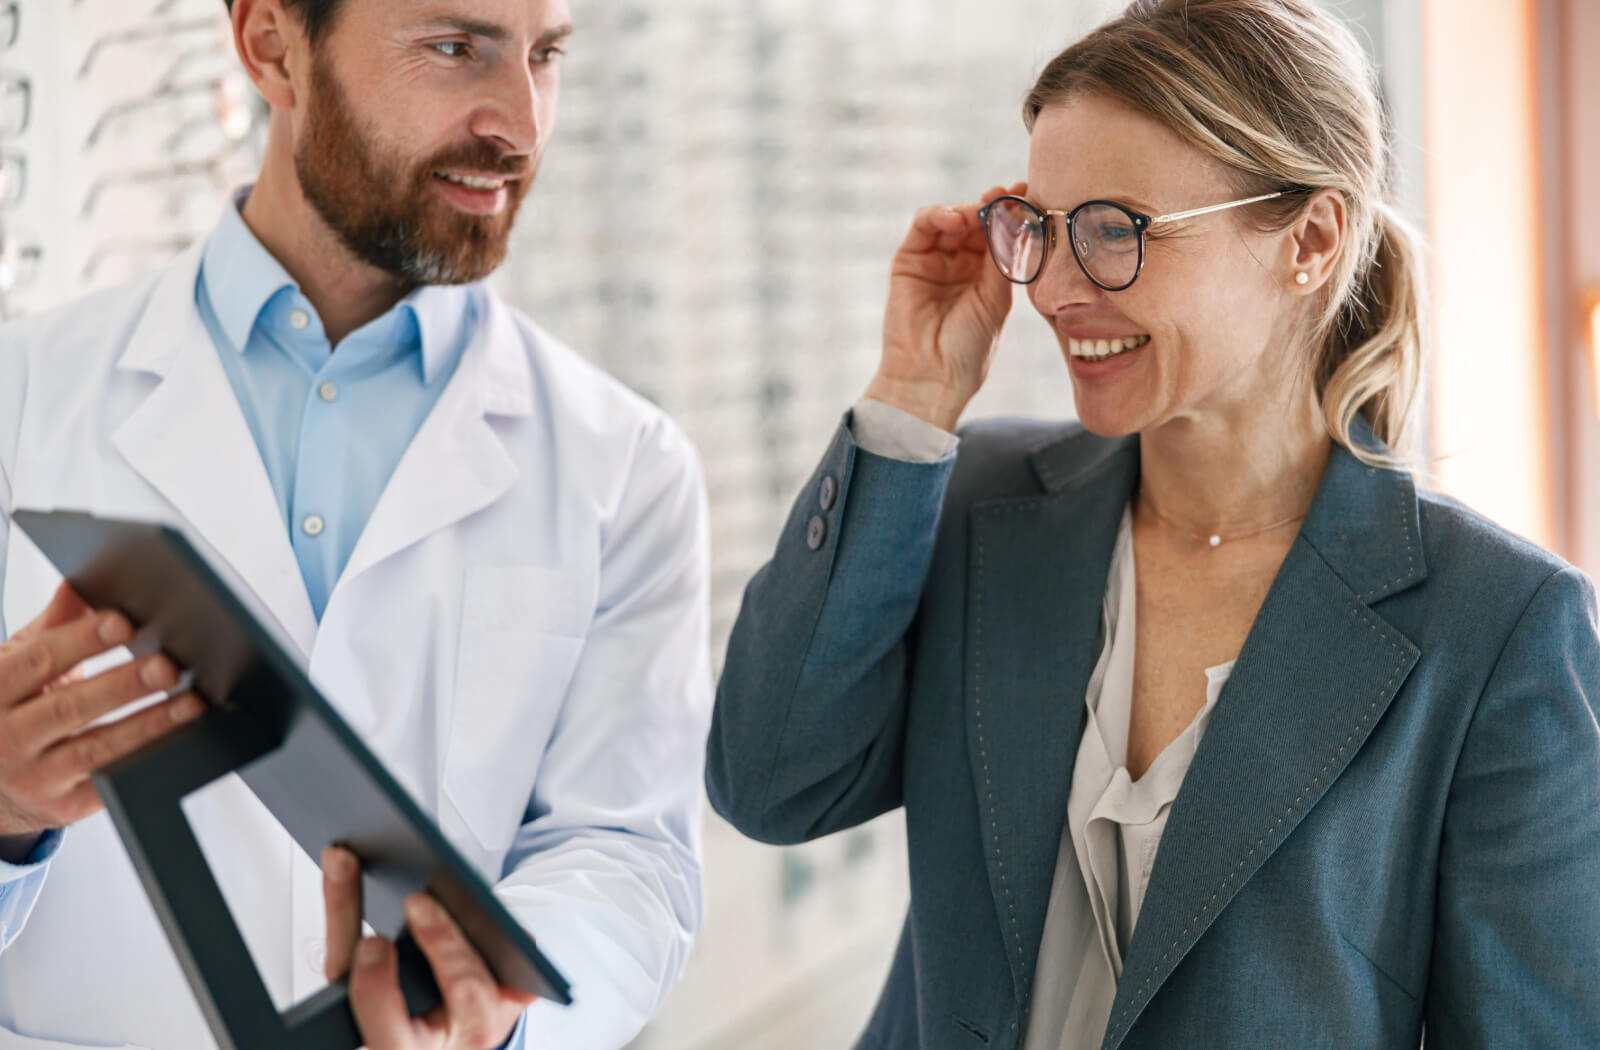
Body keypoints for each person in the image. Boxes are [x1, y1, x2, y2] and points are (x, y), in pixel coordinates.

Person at [707, 0, 1600, 1047]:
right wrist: (910, 395)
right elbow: (770, 785)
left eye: (1114, 230)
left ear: (1309, 240)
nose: (1053, 287)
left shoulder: (1500, 627)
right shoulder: (972, 503)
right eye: (1037, 227)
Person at [0, 0, 712, 1047]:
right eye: (455, 46)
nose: (519, 121)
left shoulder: (627, 465)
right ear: (272, 47)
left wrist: (499, 1028)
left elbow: (626, 853)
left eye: (544, 55)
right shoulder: (23, 398)